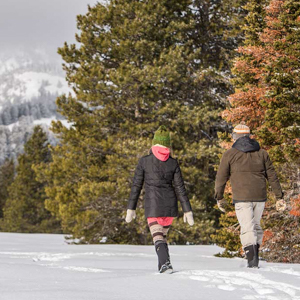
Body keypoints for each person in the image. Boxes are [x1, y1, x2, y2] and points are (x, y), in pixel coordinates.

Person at [125, 125, 194, 273]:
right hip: (170, 207)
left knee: (158, 238)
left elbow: (136, 185)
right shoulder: (173, 162)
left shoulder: (144, 161)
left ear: (154, 143)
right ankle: (163, 265)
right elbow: (180, 188)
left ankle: (165, 264)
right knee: (162, 237)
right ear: (167, 144)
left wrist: (131, 208)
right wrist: (187, 210)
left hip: (153, 207)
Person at [214, 124, 284, 268]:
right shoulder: (262, 153)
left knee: (247, 227)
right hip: (260, 196)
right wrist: (279, 196)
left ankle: (252, 262)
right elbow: (272, 176)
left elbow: (221, 178)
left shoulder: (230, 154)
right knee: (255, 225)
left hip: (242, 197)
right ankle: (254, 256)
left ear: (236, 137)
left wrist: (219, 197)